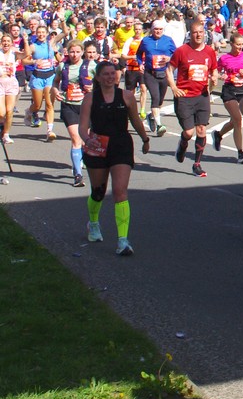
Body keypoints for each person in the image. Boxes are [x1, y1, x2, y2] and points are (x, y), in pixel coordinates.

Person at [82, 57, 151, 256]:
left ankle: (123, 240)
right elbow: (83, 126)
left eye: (113, 73)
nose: (110, 77)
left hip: (121, 144)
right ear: (98, 77)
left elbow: (136, 120)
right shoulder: (90, 98)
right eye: (106, 74)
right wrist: (87, 139)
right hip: (98, 144)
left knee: (120, 191)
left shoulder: (127, 96)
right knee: (99, 191)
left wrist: (145, 139)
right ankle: (93, 223)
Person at [168, 21, 218, 177]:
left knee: (202, 130)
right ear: (190, 34)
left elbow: (214, 70)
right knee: (189, 132)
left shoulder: (209, 51)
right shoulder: (182, 51)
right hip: (184, 97)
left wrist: (214, 78)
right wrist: (174, 88)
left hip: (202, 96)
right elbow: (169, 69)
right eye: (195, 32)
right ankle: (183, 144)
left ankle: (197, 164)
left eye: (201, 32)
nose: (198, 35)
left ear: (204, 33)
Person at [54, 40, 93, 187]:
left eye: (77, 52)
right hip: (68, 105)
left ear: (82, 52)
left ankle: (80, 160)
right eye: (72, 52)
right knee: (76, 139)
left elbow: (104, 82)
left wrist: (94, 88)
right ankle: (78, 175)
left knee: (84, 140)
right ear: (67, 52)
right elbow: (55, 81)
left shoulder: (91, 66)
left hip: (86, 106)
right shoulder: (62, 66)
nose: (74, 55)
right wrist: (55, 90)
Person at [215, 32, 243, 163]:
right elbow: (216, 71)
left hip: (242, 91)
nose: (240, 47)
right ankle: (240, 153)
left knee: (234, 121)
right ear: (231, 44)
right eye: (237, 45)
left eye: (241, 45)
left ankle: (218, 135)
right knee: (237, 119)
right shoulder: (224, 58)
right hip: (229, 90)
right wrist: (220, 76)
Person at [135, 19, 176, 137]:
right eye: (156, 29)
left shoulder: (168, 40)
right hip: (150, 73)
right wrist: (140, 64)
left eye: (160, 29)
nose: (158, 31)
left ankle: (152, 116)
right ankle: (159, 125)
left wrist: (169, 58)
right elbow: (139, 53)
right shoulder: (146, 40)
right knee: (155, 97)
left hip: (164, 73)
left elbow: (176, 54)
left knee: (160, 100)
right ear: (152, 30)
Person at [23, 24, 59, 139]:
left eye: (43, 32)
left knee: (49, 104)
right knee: (37, 105)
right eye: (39, 32)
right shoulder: (33, 46)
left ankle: (50, 131)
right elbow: (24, 60)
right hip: (38, 77)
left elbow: (65, 33)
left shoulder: (51, 43)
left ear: (47, 34)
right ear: (36, 34)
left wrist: (62, 21)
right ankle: (29, 111)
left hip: (50, 76)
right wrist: (34, 61)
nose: (41, 34)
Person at [0, 32, 19, 144]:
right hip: (0, 83)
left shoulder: (14, 54)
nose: (6, 43)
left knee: (9, 111)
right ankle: (2, 125)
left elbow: (26, 54)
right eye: (4, 41)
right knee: (1, 113)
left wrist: (26, 41)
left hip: (11, 83)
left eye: (8, 41)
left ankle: (6, 134)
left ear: (12, 43)